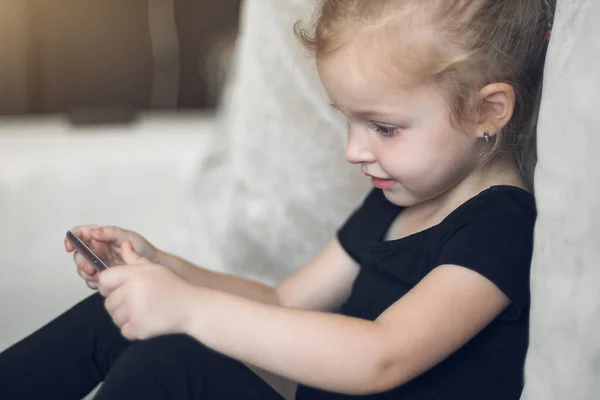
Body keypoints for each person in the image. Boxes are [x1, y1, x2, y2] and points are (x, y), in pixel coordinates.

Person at [0, 0, 554, 398]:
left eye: (383, 128)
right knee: (118, 321)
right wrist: (164, 270)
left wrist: (189, 310)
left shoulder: (500, 225)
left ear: (488, 111)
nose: (354, 151)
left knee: (172, 357)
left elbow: (380, 356)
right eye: (349, 121)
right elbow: (284, 301)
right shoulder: (397, 201)